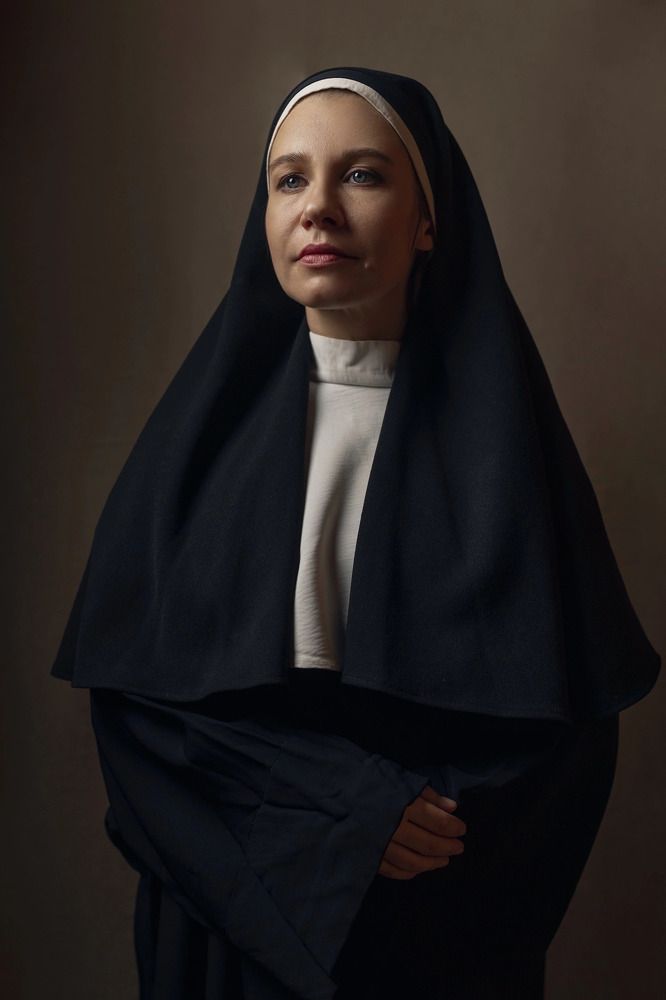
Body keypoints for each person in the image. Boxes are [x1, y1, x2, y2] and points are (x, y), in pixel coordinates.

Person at [50, 67, 661, 999]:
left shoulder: (507, 457)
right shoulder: (198, 449)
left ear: (429, 221)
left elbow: (567, 740)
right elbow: (136, 717)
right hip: (228, 925)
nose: (318, 209)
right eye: (289, 179)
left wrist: (405, 838)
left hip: (431, 935)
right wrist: (346, 816)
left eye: (363, 175)